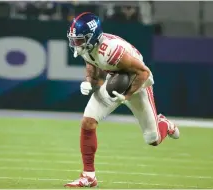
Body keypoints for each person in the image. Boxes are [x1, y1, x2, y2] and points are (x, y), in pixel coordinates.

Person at [64, 12, 180, 188]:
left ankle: (164, 124)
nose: (76, 44)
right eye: (74, 39)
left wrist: (126, 95)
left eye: (79, 40)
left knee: (153, 139)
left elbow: (144, 73)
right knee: (88, 122)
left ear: (92, 37)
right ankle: (89, 176)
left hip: (138, 83)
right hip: (114, 81)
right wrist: (89, 82)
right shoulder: (88, 47)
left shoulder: (112, 50)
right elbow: (92, 65)